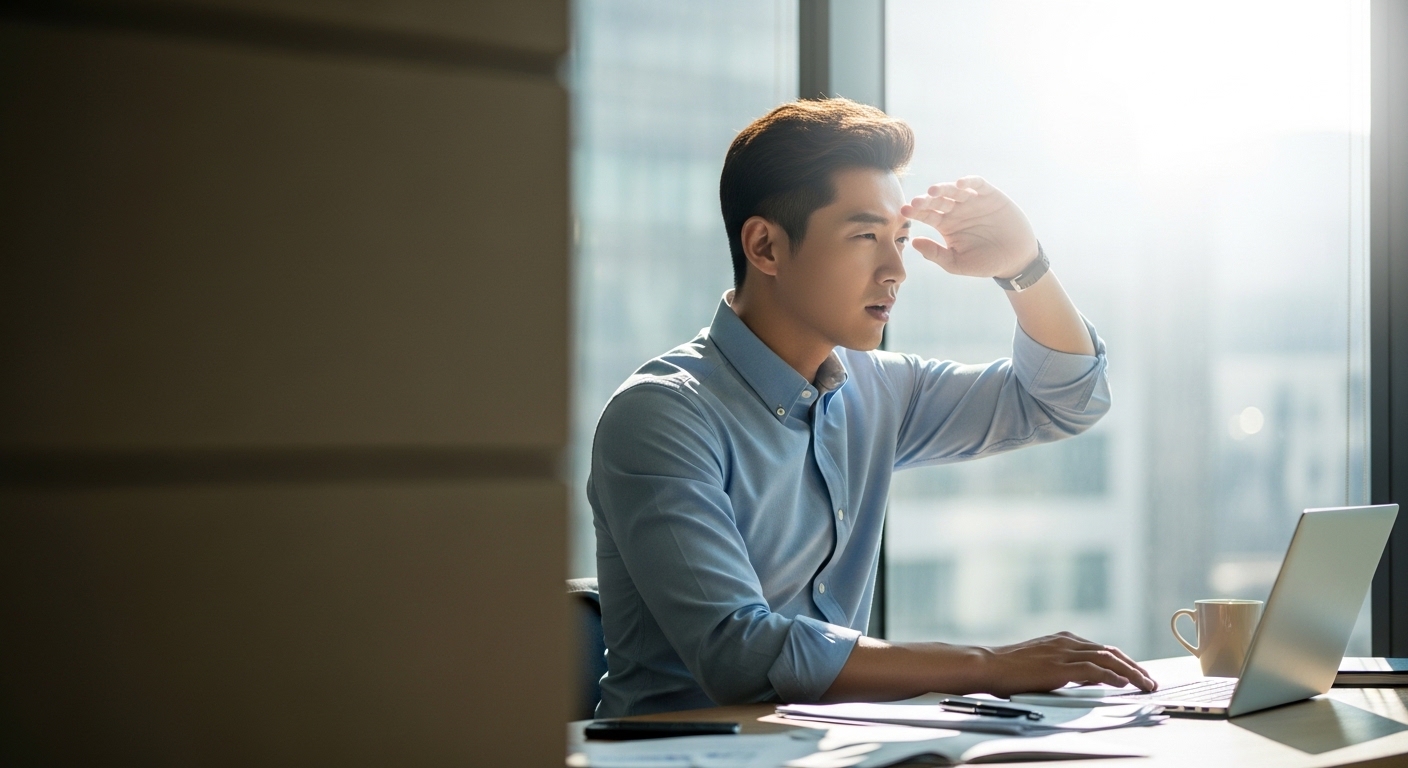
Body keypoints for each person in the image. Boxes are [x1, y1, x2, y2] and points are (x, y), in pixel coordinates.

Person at [587, 98, 1156, 718]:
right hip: (675, 757)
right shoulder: (662, 416)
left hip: (826, 751)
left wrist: (1024, 267)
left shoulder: (879, 390)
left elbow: (1064, 399)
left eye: (902, 239)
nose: (896, 270)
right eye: (865, 236)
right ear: (765, 247)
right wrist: (989, 668)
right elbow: (739, 654)